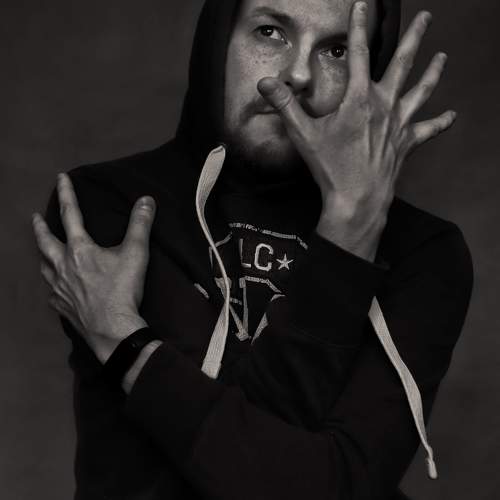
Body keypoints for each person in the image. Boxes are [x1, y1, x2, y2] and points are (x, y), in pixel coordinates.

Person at [32, 0, 473, 498]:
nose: (299, 74)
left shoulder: (425, 254)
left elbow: (334, 488)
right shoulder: (109, 207)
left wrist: (126, 346)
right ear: (218, 39)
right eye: (270, 32)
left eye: (336, 50)